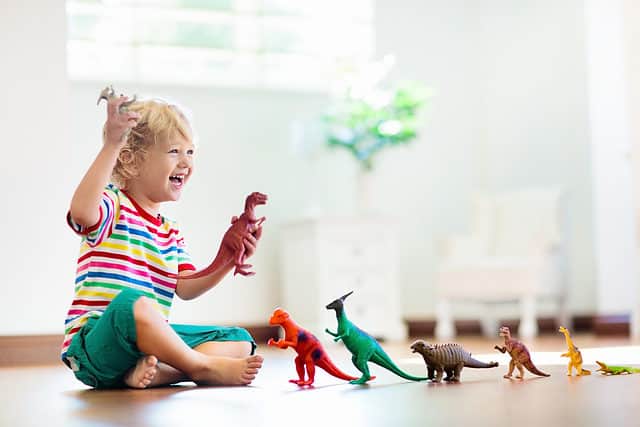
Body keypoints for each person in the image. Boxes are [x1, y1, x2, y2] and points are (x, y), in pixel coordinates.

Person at [62, 93, 264, 389]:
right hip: (96, 347)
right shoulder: (113, 204)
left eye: (190, 152)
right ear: (130, 160)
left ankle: (162, 372)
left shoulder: (170, 229)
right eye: (174, 151)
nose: (186, 162)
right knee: (133, 303)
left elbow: (186, 287)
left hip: (145, 346)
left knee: (239, 341)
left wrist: (227, 256)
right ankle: (199, 366)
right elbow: (81, 211)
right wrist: (112, 144)